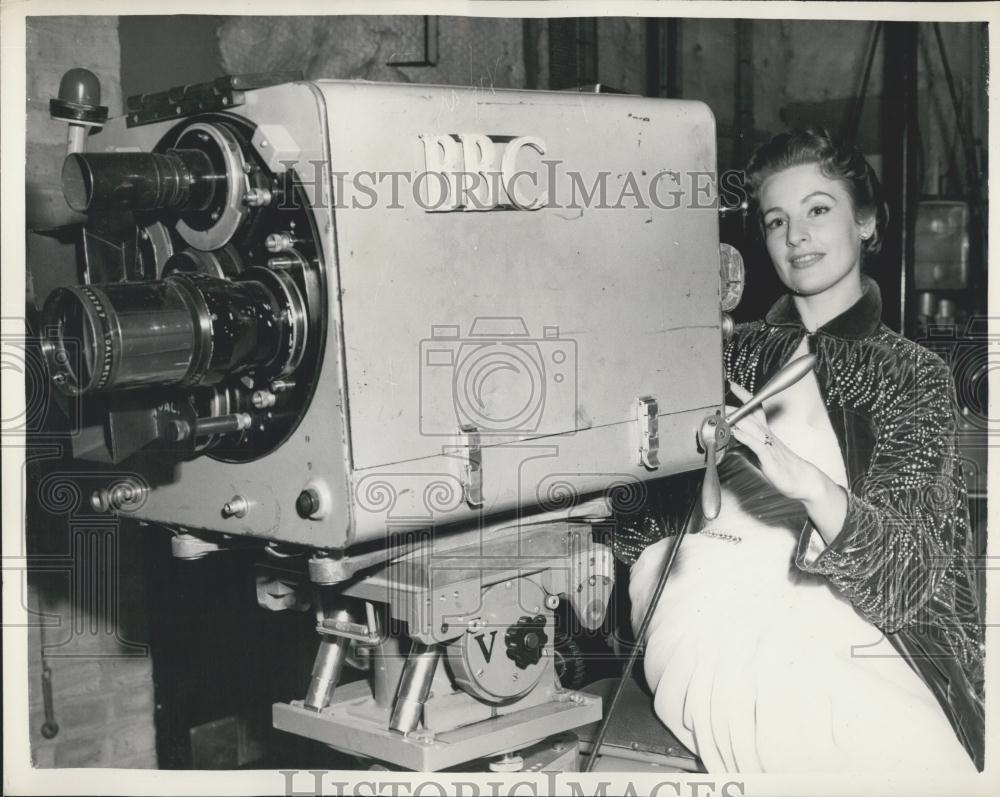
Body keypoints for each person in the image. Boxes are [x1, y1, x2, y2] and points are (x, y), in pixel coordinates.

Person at [619, 128, 984, 773]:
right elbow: (642, 519)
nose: (796, 236)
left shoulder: (911, 374)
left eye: (819, 209)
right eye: (776, 220)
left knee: (909, 746)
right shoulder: (722, 352)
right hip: (705, 594)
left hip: (849, 610)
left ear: (866, 222)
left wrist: (814, 489)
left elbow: (905, 583)